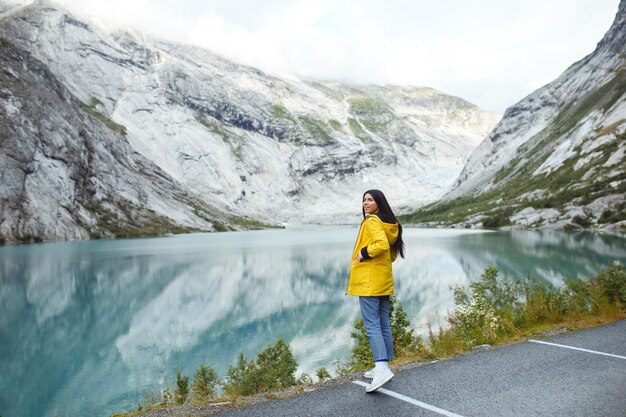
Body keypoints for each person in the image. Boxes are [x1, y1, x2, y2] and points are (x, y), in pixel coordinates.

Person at [347, 189, 405, 393]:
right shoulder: (389, 223)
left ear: (379, 202)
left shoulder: (372, 221)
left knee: (372, 324)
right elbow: (391, 254)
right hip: (383, 279)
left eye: (370, 199)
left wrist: (364, 253)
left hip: (369, 281)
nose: (365, 203)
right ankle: (383, 366)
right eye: (363, 199)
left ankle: (381, 370)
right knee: (383, 323)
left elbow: (380, 245)